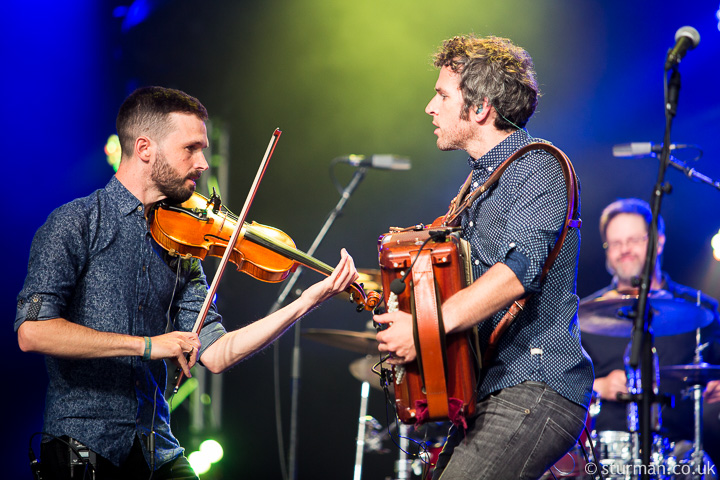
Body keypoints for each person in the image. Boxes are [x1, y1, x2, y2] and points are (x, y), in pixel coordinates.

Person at [15, 86, 359, 479]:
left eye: (204, 150)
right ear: (145, 148)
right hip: (83, 447)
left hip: (155, 447)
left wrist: (308, 301)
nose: (203, 163)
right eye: (191, 149)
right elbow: (33, 332)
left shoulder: (183, 243)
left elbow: (217, 353)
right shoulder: (74, 224)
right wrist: (148, 346)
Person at [374, 34, 594, 479]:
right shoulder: (475, 190)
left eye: (441, 95)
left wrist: (422, 329)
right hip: (490, 391)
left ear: (480, 108)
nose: (429, 108)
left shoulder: (539, 166)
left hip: (537, 385)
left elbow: (517, 274)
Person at [581, 197, 720, 468]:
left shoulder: (700, 308)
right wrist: (598, 387)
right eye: (616, 243)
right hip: (606, 454)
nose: (625, 250)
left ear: (658, 241)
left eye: (634, 240)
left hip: (680, 451)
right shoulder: (585, 314)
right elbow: (557, 383)